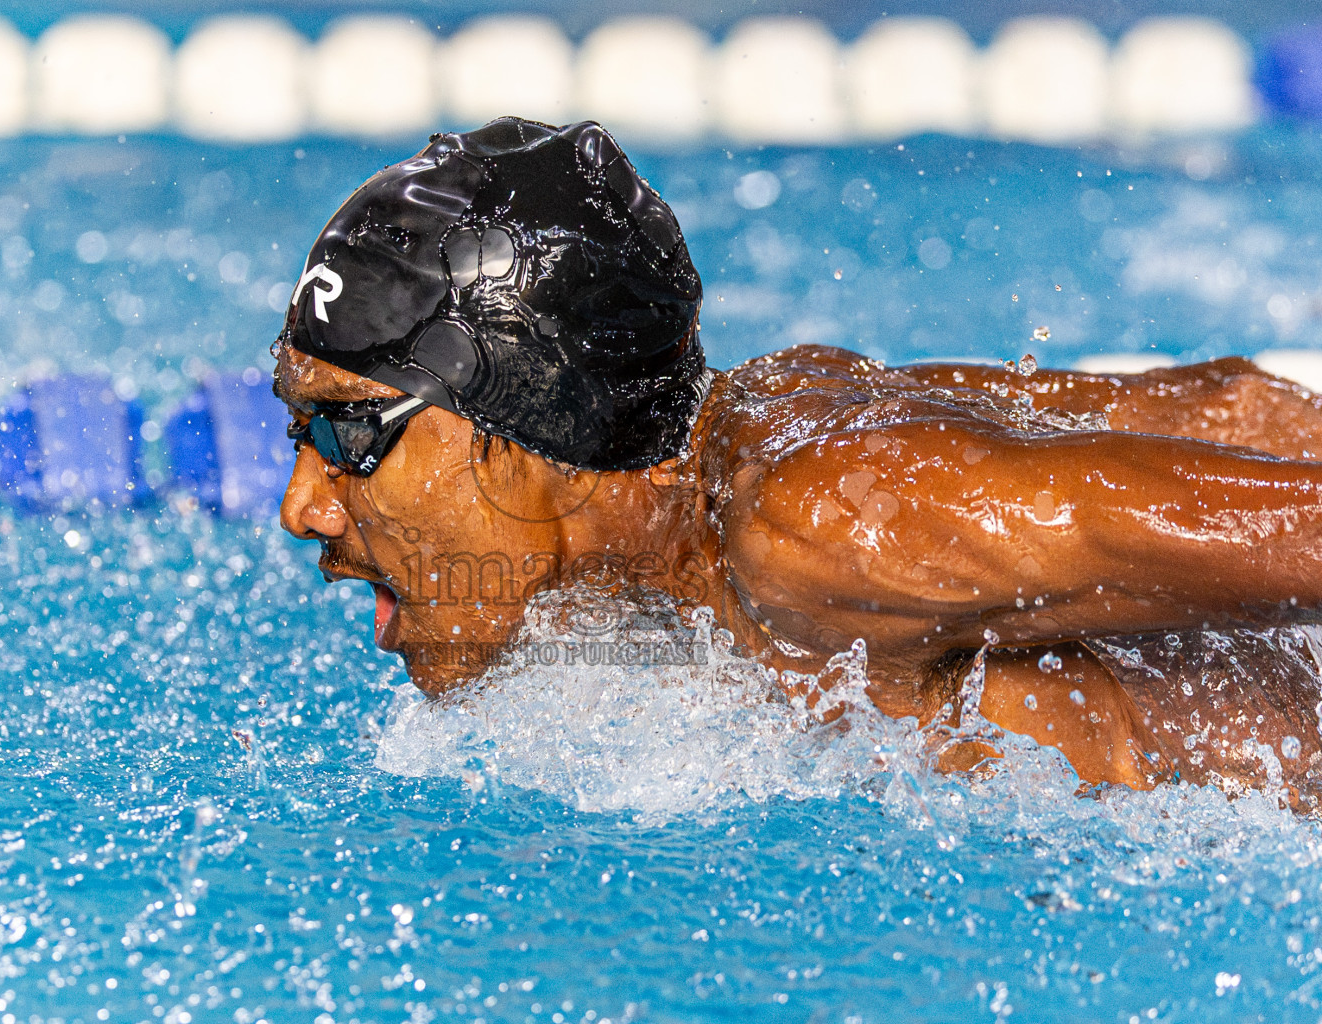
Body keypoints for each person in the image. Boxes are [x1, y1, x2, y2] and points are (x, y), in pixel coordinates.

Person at [272, 116, 1322, 804]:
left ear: (542, 423)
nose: (301, 506)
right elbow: (1219, 405)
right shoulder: (751, 435)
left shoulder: (823, 521)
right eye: (294, 434)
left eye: (348, 435)